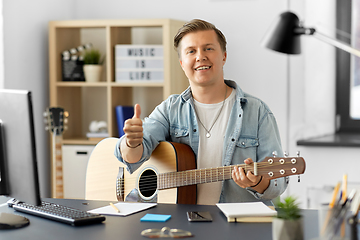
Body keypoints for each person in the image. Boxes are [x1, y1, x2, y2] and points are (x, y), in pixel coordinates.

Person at [115, 19, 287, 205]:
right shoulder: (169, 109)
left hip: (237, 226)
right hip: (182, 224)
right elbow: (132, 159)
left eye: (208, 48)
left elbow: (277, 183)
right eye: (191, 51)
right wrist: (132, 144)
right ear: (182, 63)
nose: (200, 57)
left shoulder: (258, 112)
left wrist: (257, 182)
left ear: (224, 56)